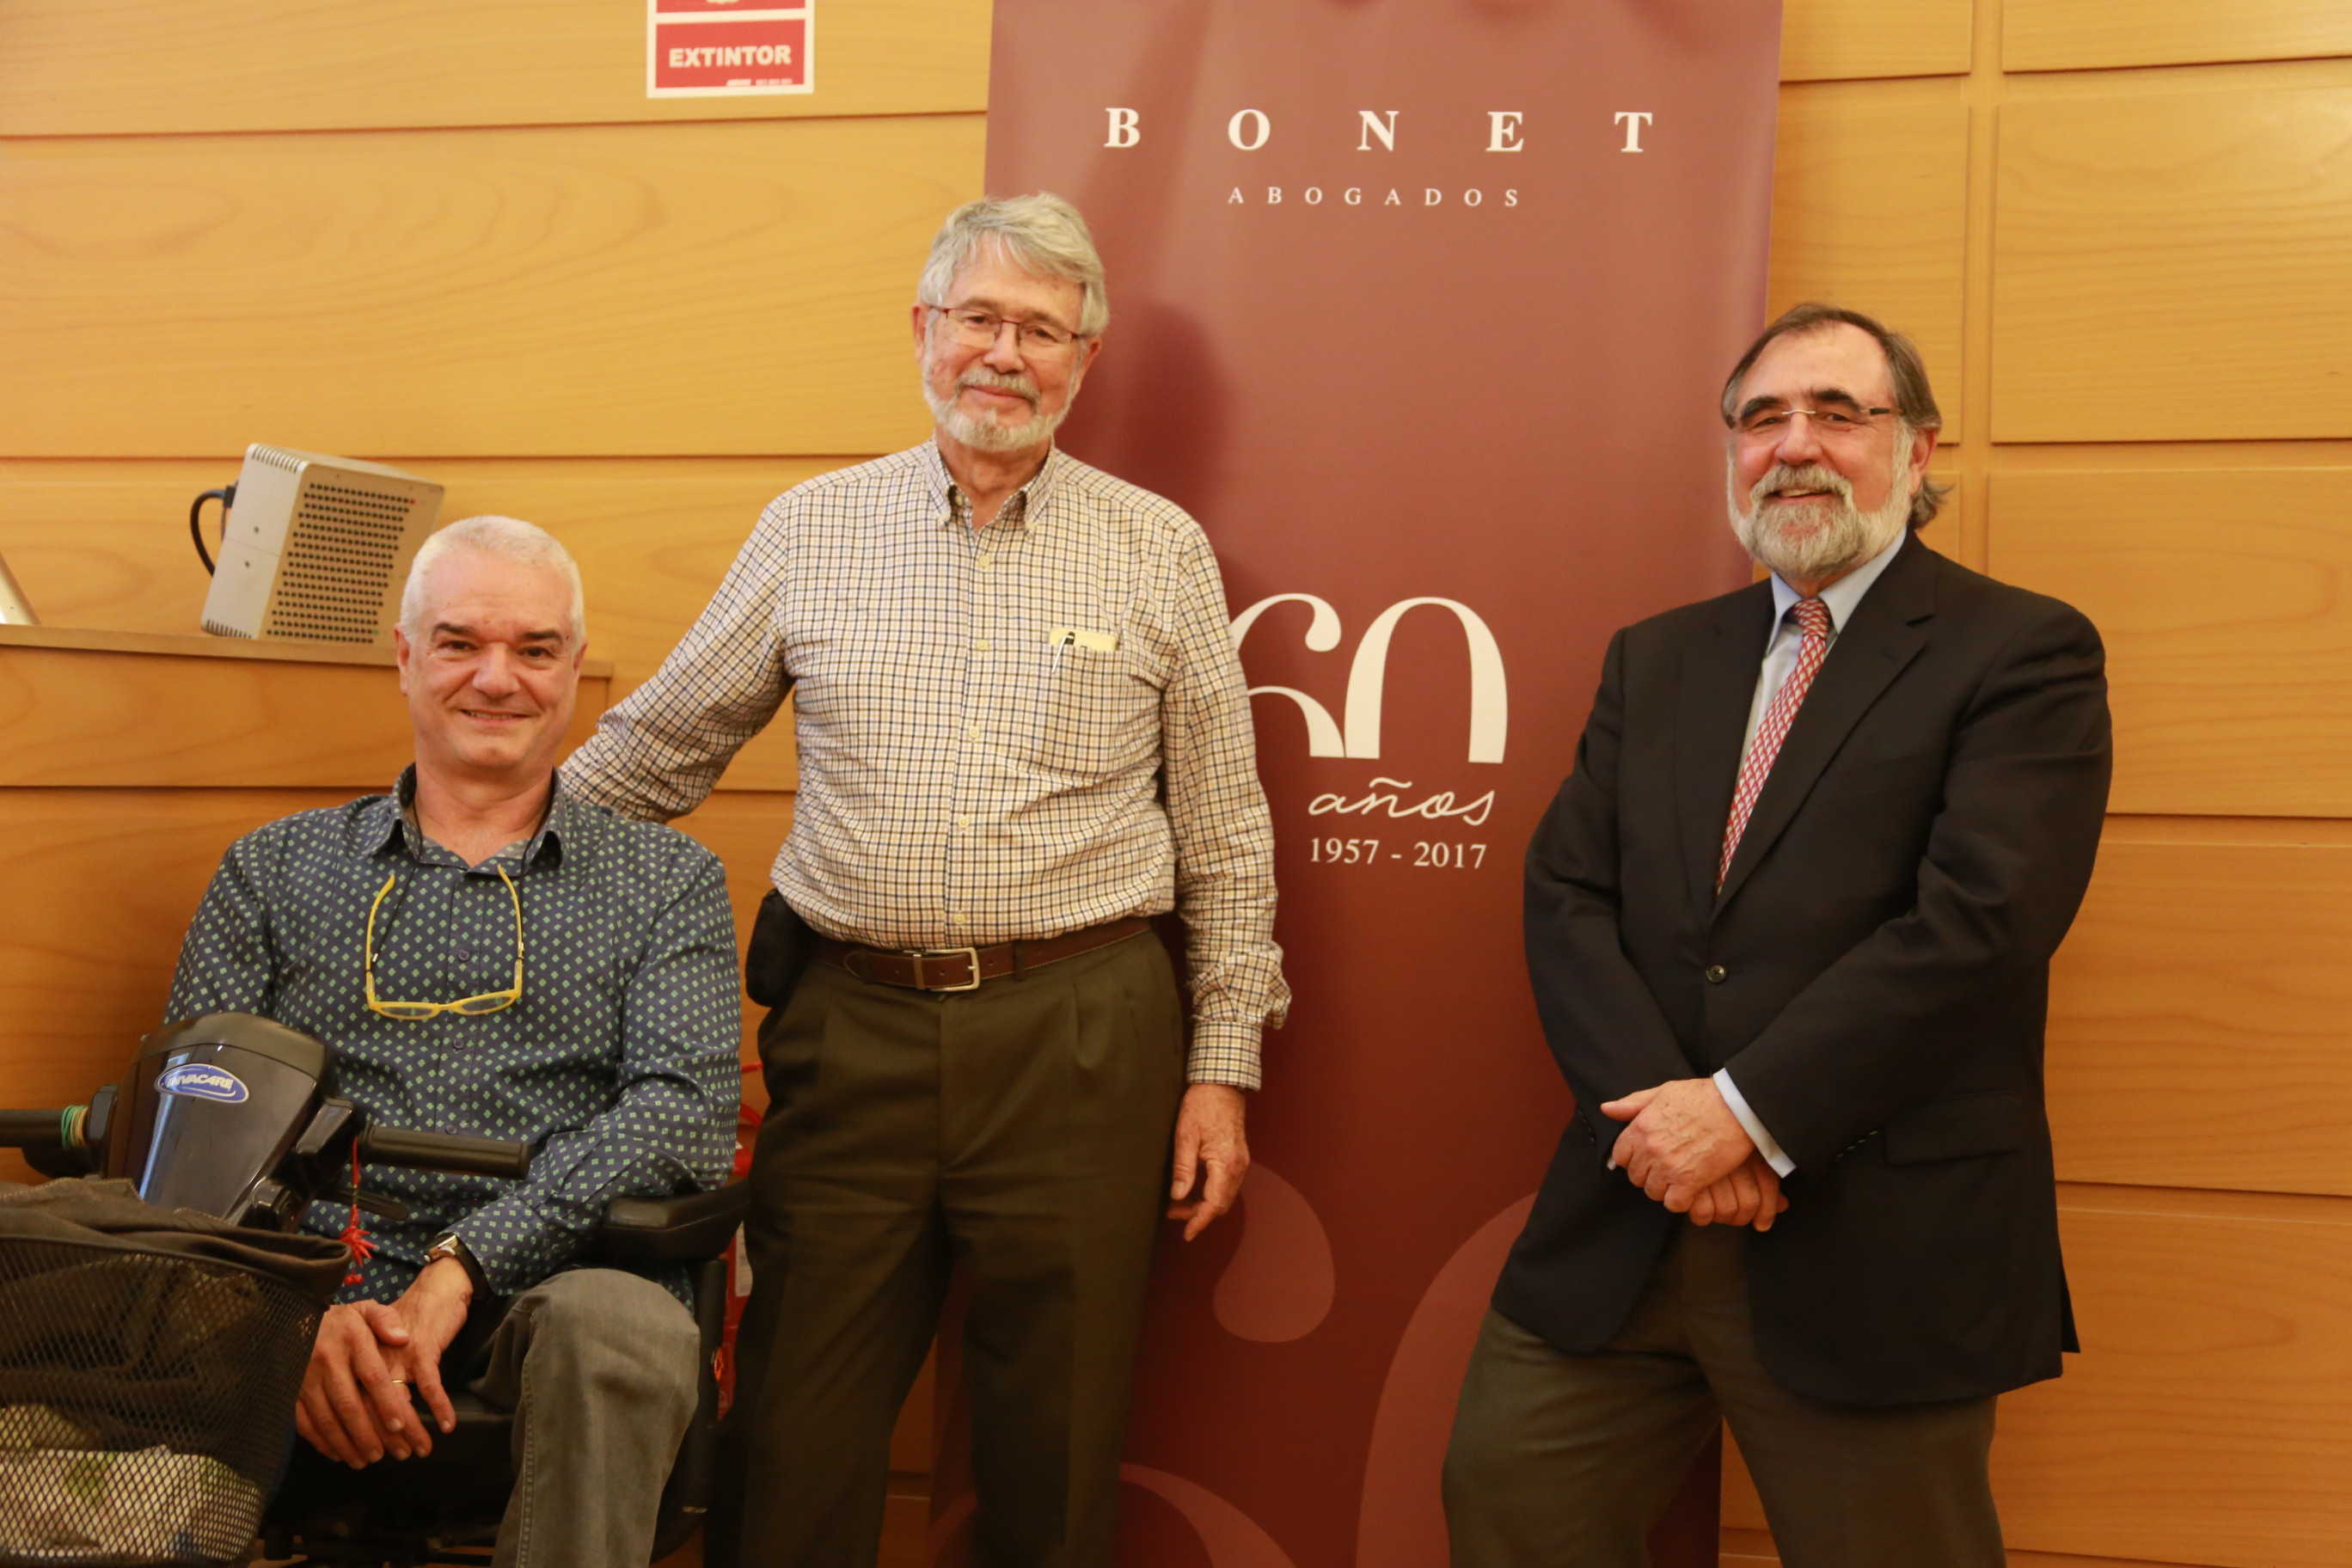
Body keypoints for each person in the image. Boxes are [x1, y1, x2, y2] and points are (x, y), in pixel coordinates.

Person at [561, 193, 1289, 1567]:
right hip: (854, 1030)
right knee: (790, 1438)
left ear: (1084, 361)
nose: (1005, 355)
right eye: (979, 319)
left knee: (1055, 1445)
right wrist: (468, 850)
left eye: (1042, 331)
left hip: (1083, 1034)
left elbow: (1226, 833)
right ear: (922, 331)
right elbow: (657, 750)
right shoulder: (811, 529)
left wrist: (1221, 1066)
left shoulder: (1159, 548)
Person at [1442, 303, 2113, 1566]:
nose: (1794, 446)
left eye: (1838, 414)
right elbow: (1567, 896)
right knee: (1503, 1506)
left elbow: (1979, 927)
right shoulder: (1657, 660)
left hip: (1874, 1238)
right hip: (1628, 1222)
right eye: (1762, 419)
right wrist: (1671, 1132)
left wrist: (1745, 1114)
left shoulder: (2021, 652)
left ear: (1916, 453)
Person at [164, 516, 740, 1568]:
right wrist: (306, 1313)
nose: (497, 679)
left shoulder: (668, 882)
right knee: (159, 1299)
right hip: (308, 1273)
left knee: (625, 1333)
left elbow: (684, 1119)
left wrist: (462, 1265)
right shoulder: (272, 869)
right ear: (405, 656)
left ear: (574, 668)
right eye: (461, 642)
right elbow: (199, 1121)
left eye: (534, 649)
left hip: (561, 1283)